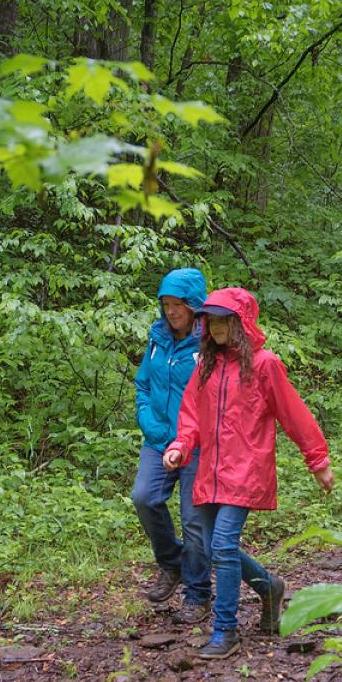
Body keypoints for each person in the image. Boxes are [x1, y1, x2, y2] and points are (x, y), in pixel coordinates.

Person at [163, 287, 334, 659]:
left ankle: (225, 630)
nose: (217, 327)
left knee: (222, 544)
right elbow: (191, 413)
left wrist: (317, 460)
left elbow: (294, 414)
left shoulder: (265, 364)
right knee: (212, 546)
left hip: (245, 468)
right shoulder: (206, 364)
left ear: (241, 322)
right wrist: (180, 446)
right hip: (210, 468)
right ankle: (269, 587)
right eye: (211, 320)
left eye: (224, 319)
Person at [131, 266, 212, 623]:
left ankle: (198, 595)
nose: (171, 311)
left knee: (195, 522)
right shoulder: (157, 339)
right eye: (165, 303)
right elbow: (143, 385)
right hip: (158, 439)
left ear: (194, 305)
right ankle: (172, 564)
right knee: (144, 498)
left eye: (178, 304)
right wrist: (147, 420)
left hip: (197, 445)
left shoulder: (210, 344)